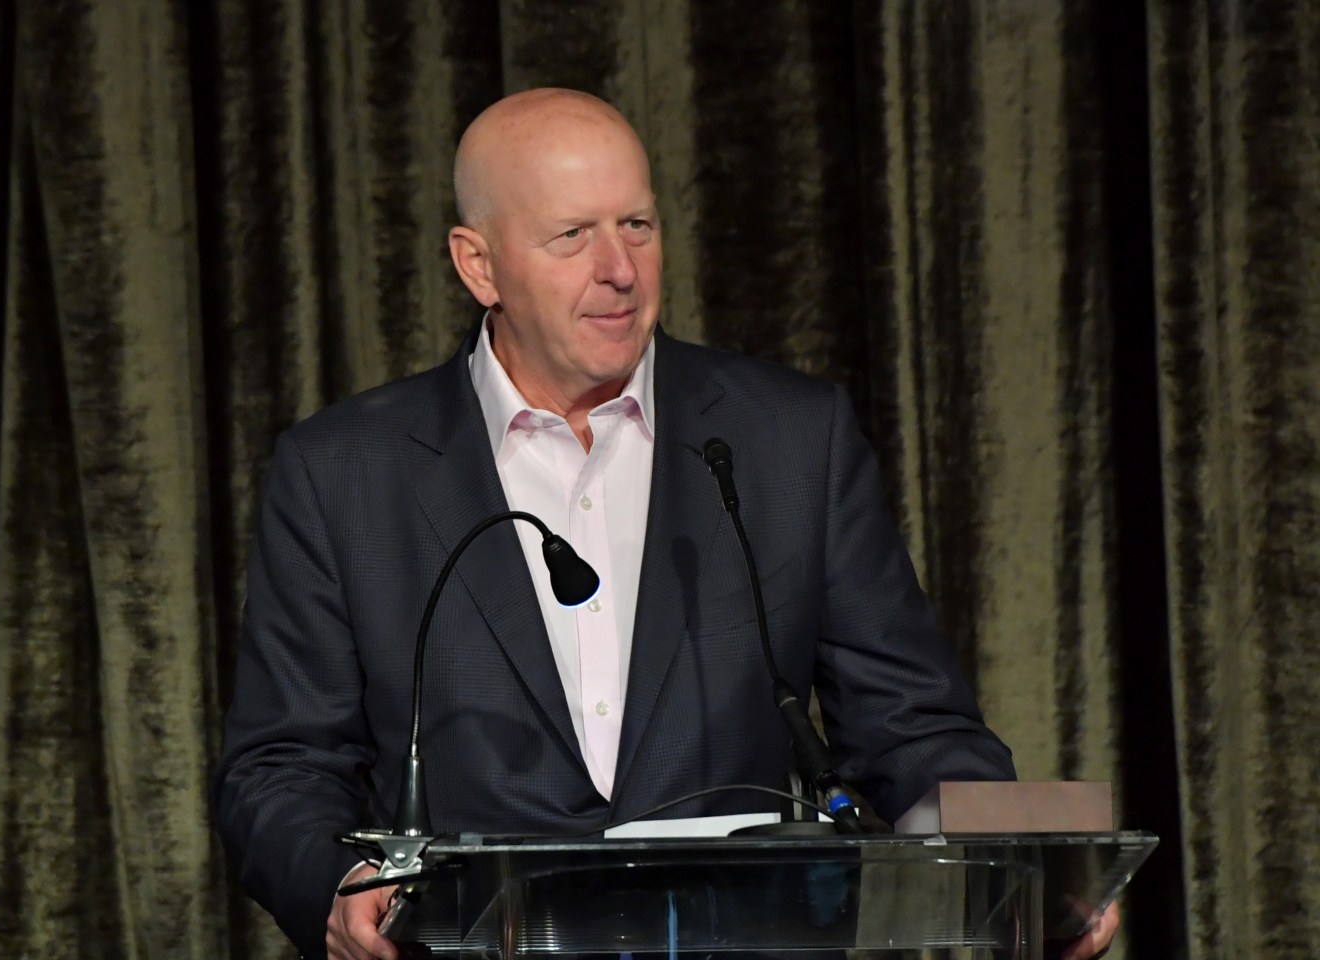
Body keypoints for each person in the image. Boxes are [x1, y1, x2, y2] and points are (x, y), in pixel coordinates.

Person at [213, 88, 1118, 960]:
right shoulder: (344, 470)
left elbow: (911, 726)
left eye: (637, 226)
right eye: (572, 235)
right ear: (477, 263)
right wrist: (338, 885)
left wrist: (1029, 860)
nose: (619, 269)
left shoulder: (789, 441)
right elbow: (280, 766)